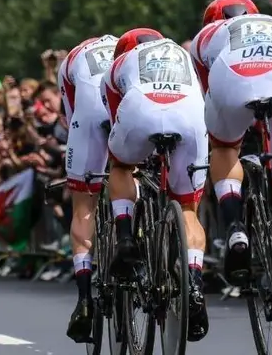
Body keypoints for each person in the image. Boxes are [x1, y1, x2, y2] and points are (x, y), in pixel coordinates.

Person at [101, 28, 210, 342]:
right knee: (188, 209)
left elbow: (115, 117)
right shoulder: (183, 53)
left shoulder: (119, 64)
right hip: (189, 115)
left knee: (120, 164)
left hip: (141, 112)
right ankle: (194, 280)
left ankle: (124, 237)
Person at [190, 0, 272, 287]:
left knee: (225, 147)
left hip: (234, 80)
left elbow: (209, 96)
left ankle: (234, 225)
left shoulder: (206, 36)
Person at [57, 34, 118, 342]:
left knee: (83, 206)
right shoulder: (133, 47)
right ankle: (135, 230)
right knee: (129, 171)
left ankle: (84, 299)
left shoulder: (72, 59)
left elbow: (71, 119)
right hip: (133, 104)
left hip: (90, 114)